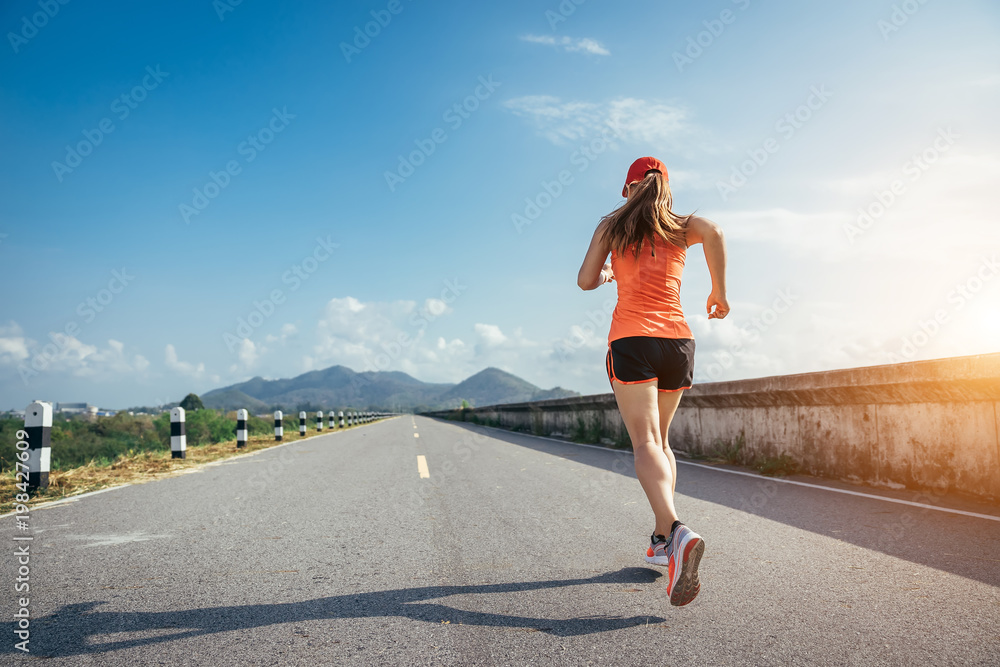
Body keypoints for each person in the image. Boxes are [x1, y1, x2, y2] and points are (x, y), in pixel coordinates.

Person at [577, 156, 729, 606]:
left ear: (628, 189)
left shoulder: (613, 226)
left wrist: (608, 273)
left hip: (633, 339)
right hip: (678, 342)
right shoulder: (681, 226)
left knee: (643, 444)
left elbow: (585, 281)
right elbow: (716, 233)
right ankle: (663, 541)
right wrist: (719, 292)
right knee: (662, 442)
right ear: (666, 186)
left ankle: (677, 530)